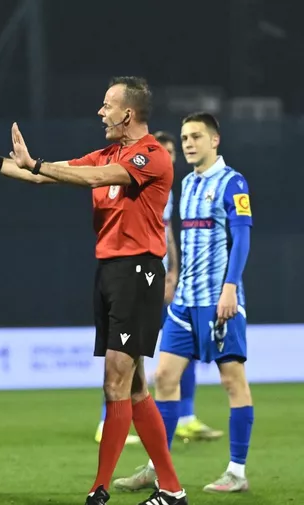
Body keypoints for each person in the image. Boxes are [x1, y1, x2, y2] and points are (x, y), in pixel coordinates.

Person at [0, 76, 186, 505]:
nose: (101, 113)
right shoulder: (108, 151)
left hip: (139, 272)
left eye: (107, 106)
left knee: (115, 381)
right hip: (110, 273)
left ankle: (98, 490)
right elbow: (44, 176)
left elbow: (91, 177)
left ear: (128, 114)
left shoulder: (152, 157)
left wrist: (37, 163)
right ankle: (173, 492)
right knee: (134, 387)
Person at [114, 112, 253, 493]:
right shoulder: (187, 183)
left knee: (232, 381)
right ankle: (156, 467)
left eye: (195, 137)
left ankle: (237, 473)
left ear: (214, 141)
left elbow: (241, 240)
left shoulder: (232, 183)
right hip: (184, 303)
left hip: (218, 302)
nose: (188, 143)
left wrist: (231, 288)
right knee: (165, 378)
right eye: (184, 137)